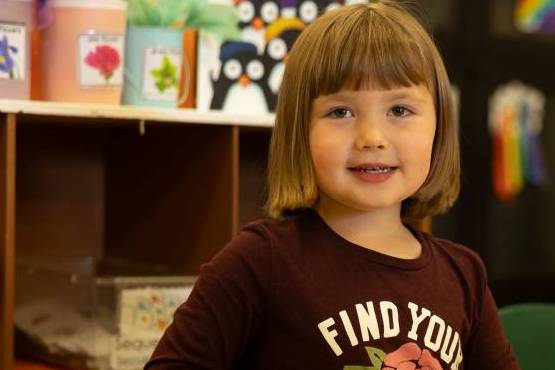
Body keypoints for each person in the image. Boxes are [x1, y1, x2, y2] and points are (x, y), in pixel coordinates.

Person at [144, 1, 519, 369]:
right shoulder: (260, 262)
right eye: (340, 112)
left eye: (399, 110)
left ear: (439, 129)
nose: (372, 137)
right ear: (299, 131)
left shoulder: (464, 274)